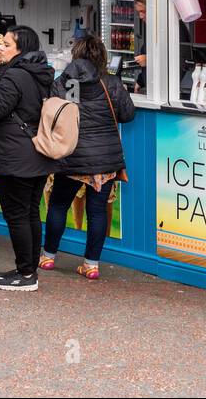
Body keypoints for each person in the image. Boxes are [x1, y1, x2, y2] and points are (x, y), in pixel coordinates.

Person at [0, 26, 55, 291]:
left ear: (21, 49)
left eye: (7, 45)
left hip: (15, 157)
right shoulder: (42, 74)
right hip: (36, 154)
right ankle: (29, 270)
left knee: (17, 216)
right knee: (30, 214)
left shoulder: (15, 76)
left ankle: (25, 274)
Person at [41, 34, 135, 279]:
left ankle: (48, 257)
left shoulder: (64, 82)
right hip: (105, 160)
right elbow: (127, 114)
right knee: (97, 211)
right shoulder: (111, 82)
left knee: (59, 205)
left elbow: (55, 110)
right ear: (101, 57)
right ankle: (91, 265)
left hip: (72, 156)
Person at [133, 0, 147, 93]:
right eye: (139, 12)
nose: (141, 16)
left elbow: (175, 60)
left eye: (143, 11)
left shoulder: (170, 30)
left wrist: (149, 60)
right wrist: (140, 81)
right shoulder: (151, 29)